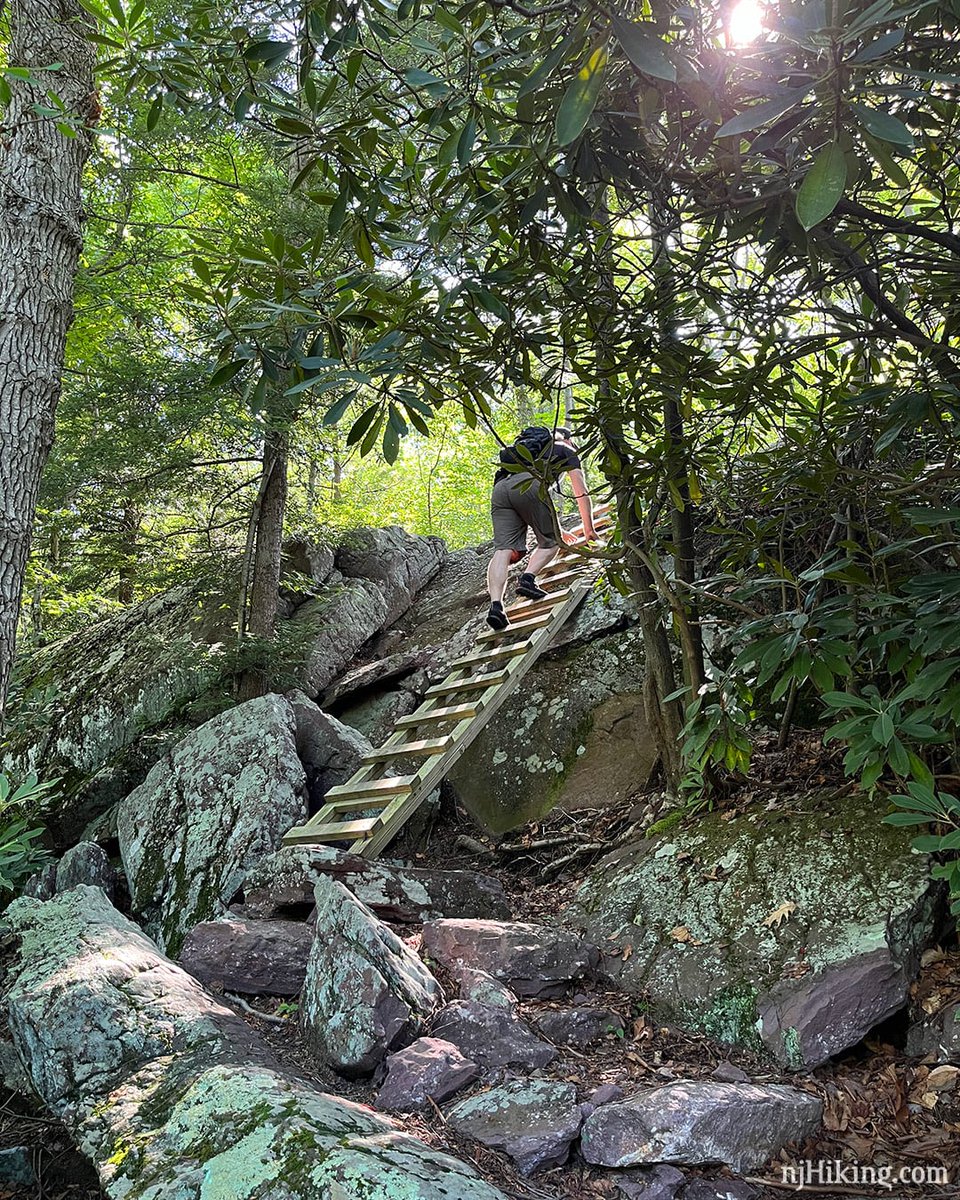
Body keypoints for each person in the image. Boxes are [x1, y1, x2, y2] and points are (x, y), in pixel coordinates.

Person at [486, 425, 598, 631]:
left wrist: (555, 526)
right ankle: (527, 580)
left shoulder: (522, 454)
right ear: (568, 440)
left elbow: (521, 505)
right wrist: (589, 529)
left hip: (500, 490)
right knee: (551, 543)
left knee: (502, 551)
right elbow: (580, 492)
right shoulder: (565, 451)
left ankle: (496, 606)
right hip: (529, 485)